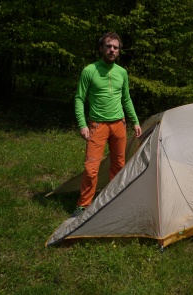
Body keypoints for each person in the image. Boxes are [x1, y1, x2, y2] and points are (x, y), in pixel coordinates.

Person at [72, 32, 141, 217]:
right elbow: (79, 99)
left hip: (119, 125)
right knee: (91, 167)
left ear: (119, 51)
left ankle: (115, 199)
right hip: (97, 125)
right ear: (101, 48)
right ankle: (84, 205)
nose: (112, 50)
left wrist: (135, 121)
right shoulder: (90, 70)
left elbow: (126, 99)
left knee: (118, 165)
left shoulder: (122, 73)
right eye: (109, 46)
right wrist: (82, 124)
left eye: (115, 47)